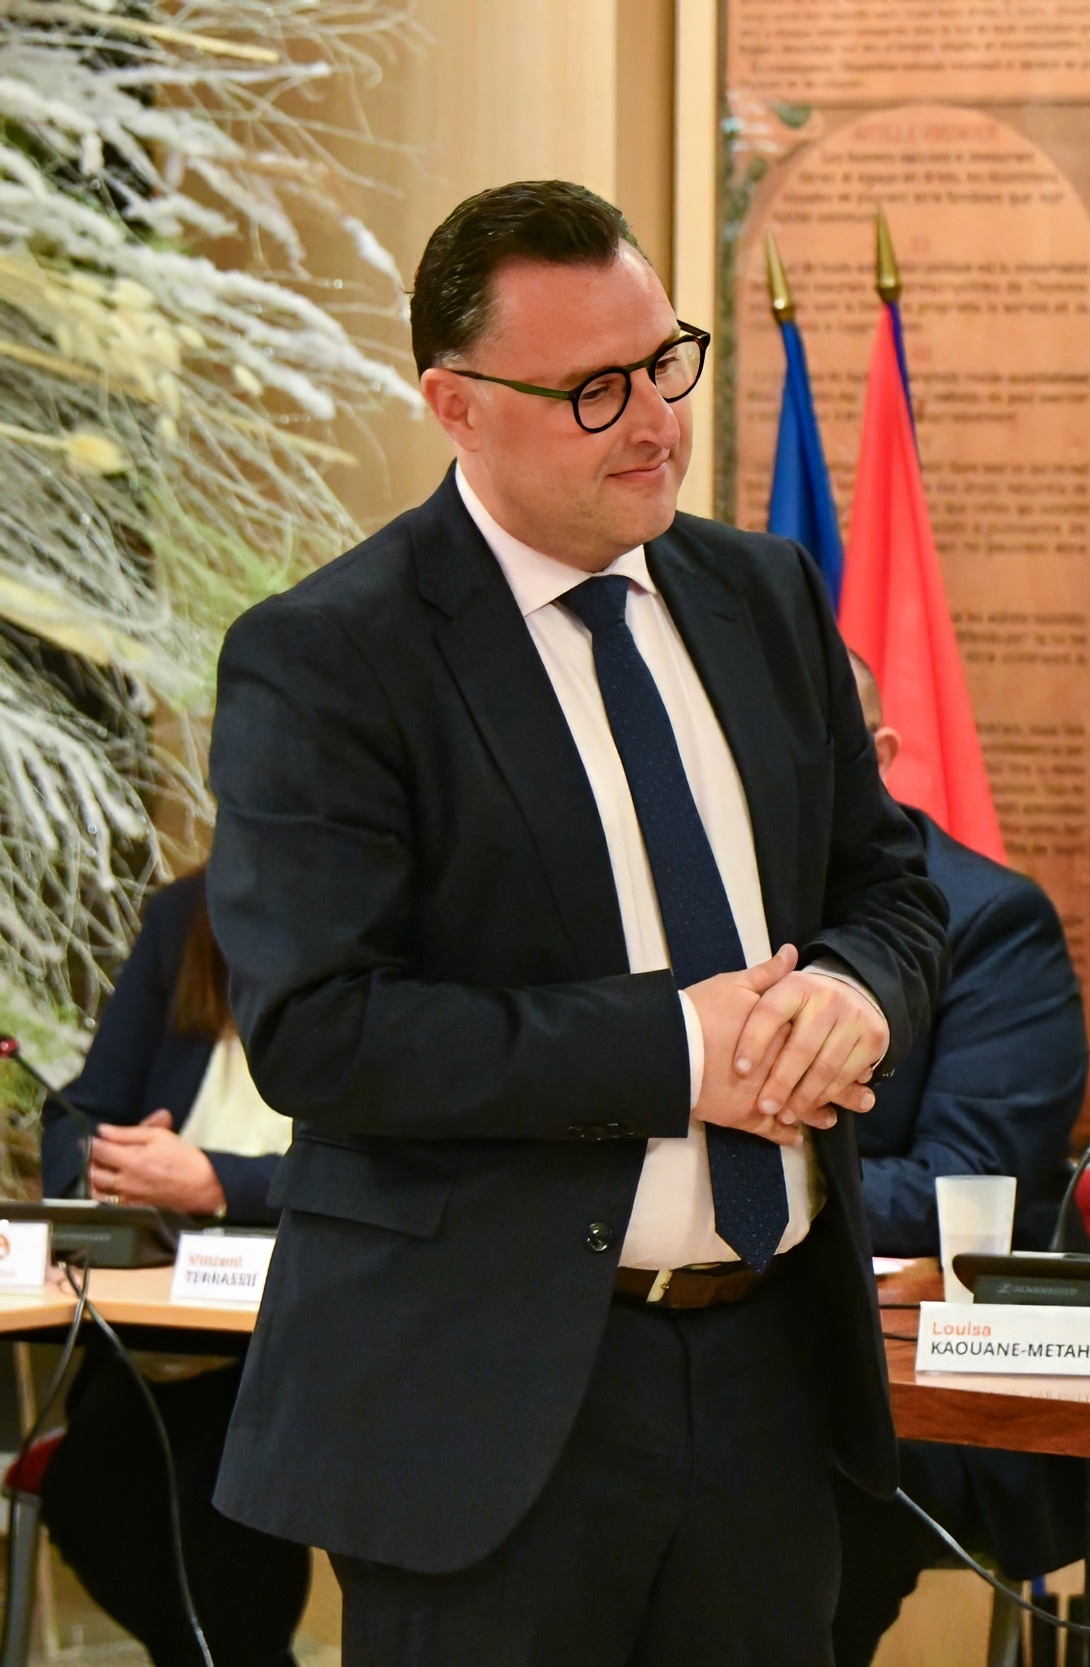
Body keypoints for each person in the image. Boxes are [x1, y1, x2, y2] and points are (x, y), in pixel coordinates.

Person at [204, 179, 949, 1665]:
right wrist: (681, 1051)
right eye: (595, 390)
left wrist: (860, 991)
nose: (656, 421)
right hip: (485, 1403)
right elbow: (321, 1028)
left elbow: (892, 886)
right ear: (456, 404)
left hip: (771, 1372)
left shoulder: (764, 591)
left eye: (666, 361)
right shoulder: (332, 654)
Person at [828, 650, 1090, 1667]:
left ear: (880, 755)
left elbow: (964, 1192)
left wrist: (718, 1187)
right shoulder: (692, 909)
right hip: (708, 1348)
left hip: (934, 1386)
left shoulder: (987, 919)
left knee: (763, 1481)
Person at [36, 870, 307, 1666]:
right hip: (165, 1314)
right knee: (90, 1494)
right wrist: (106, 1165)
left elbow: (394, 1166)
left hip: (297, 1318)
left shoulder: (384, 910)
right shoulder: (185, 915)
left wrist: (218, 1180)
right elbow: (81, 1113)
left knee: (217, 1508)